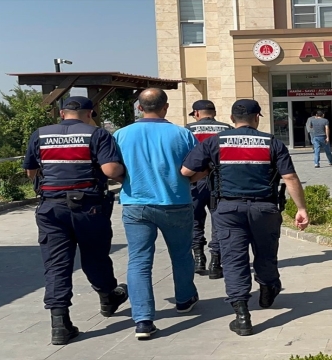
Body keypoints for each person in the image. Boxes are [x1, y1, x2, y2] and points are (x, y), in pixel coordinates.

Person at [181, 99, 309, 337]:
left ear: (231, 119)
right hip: (265, 209)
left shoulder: (214, 142)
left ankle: (241, 315)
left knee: (233, 259)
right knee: (266, 252)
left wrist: (210, 169)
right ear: (257, 117)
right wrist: (301, 209)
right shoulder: (272, 142)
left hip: (228, 210)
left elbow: (186, 172)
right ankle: (268, 287)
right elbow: (290, 178)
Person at [22, 96, 129, 345]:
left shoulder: (40, 134)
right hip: (88, 207)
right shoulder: (97, 134)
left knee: (56, 264)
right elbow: (111, 170)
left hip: (50, 208)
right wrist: (125, 174)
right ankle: (107, 296)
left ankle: (60, 324)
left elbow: (30, 171)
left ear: (62, 114)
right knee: (95, 256)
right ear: (90, 113)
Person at [113, 88, 199, 340]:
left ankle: (143, 320)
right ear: (166, 107)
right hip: (176, 201)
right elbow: (195, 167)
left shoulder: (121, 135)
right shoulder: (182, 134)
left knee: (139, 260)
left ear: (140, 107)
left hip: (136, 204)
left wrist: (125, 181)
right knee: (181, 254)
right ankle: (184, 299)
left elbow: (112, 167)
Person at [184, 100, 233, 279]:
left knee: (195, 220)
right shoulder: (227, 129)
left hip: (195, 181)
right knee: (219, 221)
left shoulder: (187, 129)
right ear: (214, 112)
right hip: (220, 181)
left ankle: (198, 258)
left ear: (196, 113)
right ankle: (216, 262)